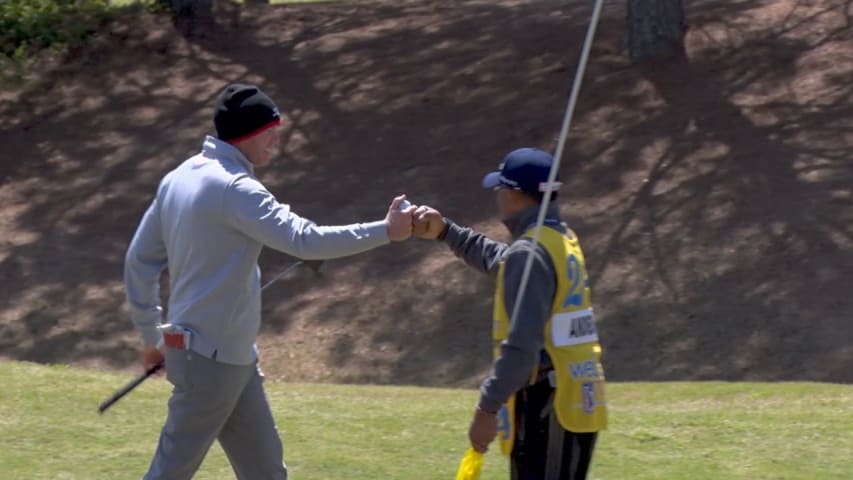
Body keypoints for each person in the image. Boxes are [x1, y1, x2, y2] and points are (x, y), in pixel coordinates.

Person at [124, 83, 415, 480]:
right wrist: (386, 231)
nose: (276, 140)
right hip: (210, 361)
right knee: (170, 471)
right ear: (245, 133)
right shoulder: (235, 188)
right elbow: (305, 240)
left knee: (265, 472)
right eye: (269, 130)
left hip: (226, 356)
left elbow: (139, 261)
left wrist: (149, 337)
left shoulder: (179, 177)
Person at [412, 148, 608, 480]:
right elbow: (499, 259)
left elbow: (521, 346)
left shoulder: (530, 251)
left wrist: (487, 408)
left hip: (549, 406)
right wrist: (445, 231)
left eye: (500, 189)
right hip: (576, 398)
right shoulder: (560, 240)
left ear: (516, 194)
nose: (497, 197)